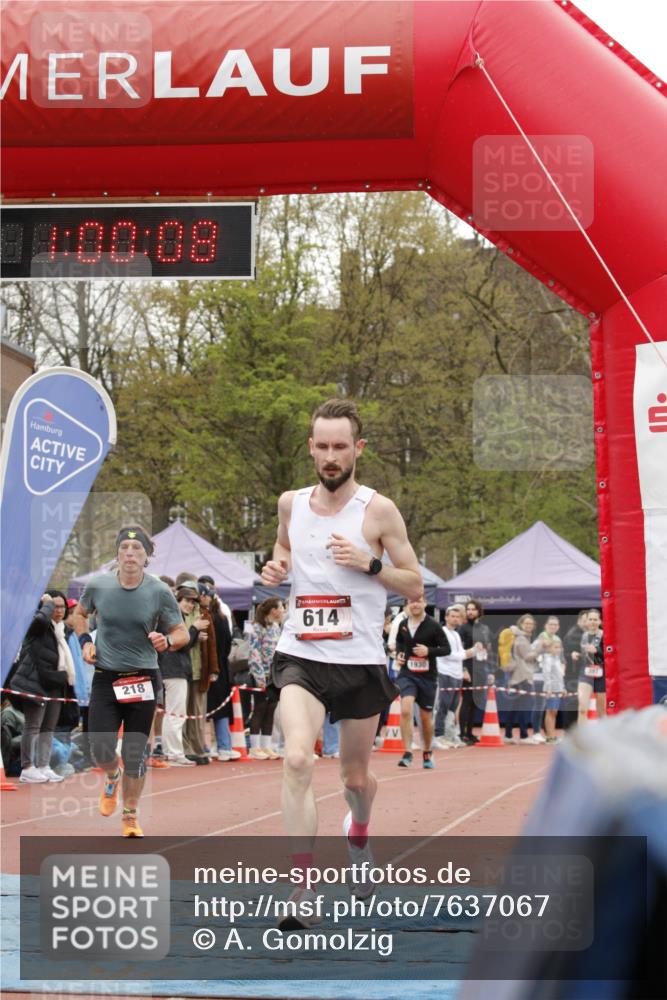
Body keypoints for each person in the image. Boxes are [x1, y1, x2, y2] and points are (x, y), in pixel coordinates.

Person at [261, 398, 422, 914]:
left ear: (358, 449)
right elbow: (284, 548)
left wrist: (370, 564)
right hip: (300, 654)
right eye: (322, 446)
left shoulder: (378, 510)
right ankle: (302, 888)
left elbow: (415, 582)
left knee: (354, 779)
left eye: (340, 446)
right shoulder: (291, 503)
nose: (331, 456)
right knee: (297, 758)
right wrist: (276, 566)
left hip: (358, 660)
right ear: (311, 448)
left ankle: (359, 835)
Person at [71, 526, 188, 837]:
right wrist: (85, 641)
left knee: (136, 753)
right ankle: (111, 776)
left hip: (142, 677)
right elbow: (78, 615)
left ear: (147, 557)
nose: (131, 555)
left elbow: (182, 632)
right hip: (106, 677)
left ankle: (130, 815)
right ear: (117, 553)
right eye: (125, 549)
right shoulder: (99, 584)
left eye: (137, 550)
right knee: (99, 747)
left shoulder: (159, 591)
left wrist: (167, 639)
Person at [10, 591, 73, 783]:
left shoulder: (61, 630)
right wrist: (45, 604)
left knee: (48, 727)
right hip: (34, 683)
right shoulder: (37, 625)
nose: (58, 610)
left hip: (54, 684)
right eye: (54, 606)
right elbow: (39, 621)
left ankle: (44, 766)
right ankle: (27, 768)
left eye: (62, 606)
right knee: (33, 725)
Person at [394, 594, 450, 769]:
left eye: (418, 601)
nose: (415, 604)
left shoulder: (433, 626)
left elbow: (446, 649)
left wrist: (428, 650)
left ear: (425, 603)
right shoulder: (403, 625)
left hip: (427, 677)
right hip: (407, 674)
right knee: (405, 709)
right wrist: (400, 655)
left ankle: (427, 751)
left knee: (426, 718)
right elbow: (399, 644)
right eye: (411, 601)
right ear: (407, 605)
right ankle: (407, 752)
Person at [158, 583, 204, 766]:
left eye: (193, 602)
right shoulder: (172, 618)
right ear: (177, 600)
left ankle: (172, 752)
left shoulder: (172, 617)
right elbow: (178, 644)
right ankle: (174, 753)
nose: (190, 605)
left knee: (174, 713)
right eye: (187, 601)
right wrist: (194, 629)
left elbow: (182, 644)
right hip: (173, 669)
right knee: (176, 714)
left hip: (174, 669)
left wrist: (193, 634)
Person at [180, 580, 219, 764]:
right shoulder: (178, 614)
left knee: (197, 713)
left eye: (194, 597)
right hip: (182, 670)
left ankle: (197, 746)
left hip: (199, 671)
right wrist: (194, 634)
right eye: (188, 598)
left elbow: (212, 645)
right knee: (182, 713)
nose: (192, 601)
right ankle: (185, 748)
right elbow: (181, 640)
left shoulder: (205, 614)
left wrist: (213, 669)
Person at [434, 606, 480, 749]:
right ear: (446, 617)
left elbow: (461, 653)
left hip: (456, 674)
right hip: (444, 673)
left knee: (452, 708)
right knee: (443, 706)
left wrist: (474, 651)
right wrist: (466, 654)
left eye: (457, 616)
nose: (454, 618)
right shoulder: (442, 632)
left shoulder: (456, 635)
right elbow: (447, 654)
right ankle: (438, 736)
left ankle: (450, 735)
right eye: (452, 616)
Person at [201, 584, 238, 761]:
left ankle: (205, 746)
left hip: (208, 668)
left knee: (202, 709)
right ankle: (224, 746)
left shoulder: (206, 619)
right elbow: (229, 644)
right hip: (222, 668)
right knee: (221, 709)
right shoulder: (223, 617)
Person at [248, 598, 284, 759]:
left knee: (271, 709)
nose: (283, 610)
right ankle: (255, 747)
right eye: (281, 607)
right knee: (260, 709)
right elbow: (254, 653)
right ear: (273, 610)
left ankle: (267, 745)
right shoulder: (256, 628)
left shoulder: (276, 627)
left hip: (274, 675)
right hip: (261, 675)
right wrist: (259, 676)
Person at [504, 614, 544, 744]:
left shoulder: (521, 637)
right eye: (526, 623)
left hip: (517, 676)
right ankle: (523, 735)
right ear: (521, 624)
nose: (528, 626)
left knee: (515, 707)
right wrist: (540, 648)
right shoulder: (521, 639)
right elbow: (527, 657)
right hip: (522, 676)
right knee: (524, 707)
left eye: (531, 624)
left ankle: (508, 735)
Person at [458, 599, 493, 744]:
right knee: (466, 701)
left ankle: (470, 732)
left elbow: (489, 649)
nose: (470, 612)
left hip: (481, 668)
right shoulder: (463, 628)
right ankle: (462, 733)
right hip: (468, 667)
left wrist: (490, 670)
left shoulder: (485, 629)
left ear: (479, 611)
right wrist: (463, 670)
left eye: (473, 609)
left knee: (475, 702)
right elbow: (459, 651)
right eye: (468, 609)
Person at [577, 609, 605, 724]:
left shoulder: (604, 635)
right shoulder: (583, 635)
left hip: (601, 674)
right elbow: (583, 655)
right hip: (586, 674)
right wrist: (576, 655)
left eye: (595, 619)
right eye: (590, 619)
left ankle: (604, 738)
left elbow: (611, 656)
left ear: (599, 621)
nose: (592, 622)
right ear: (586, 621)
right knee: (582, 708)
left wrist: (597, 651)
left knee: (601, 710)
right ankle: (581, 738)